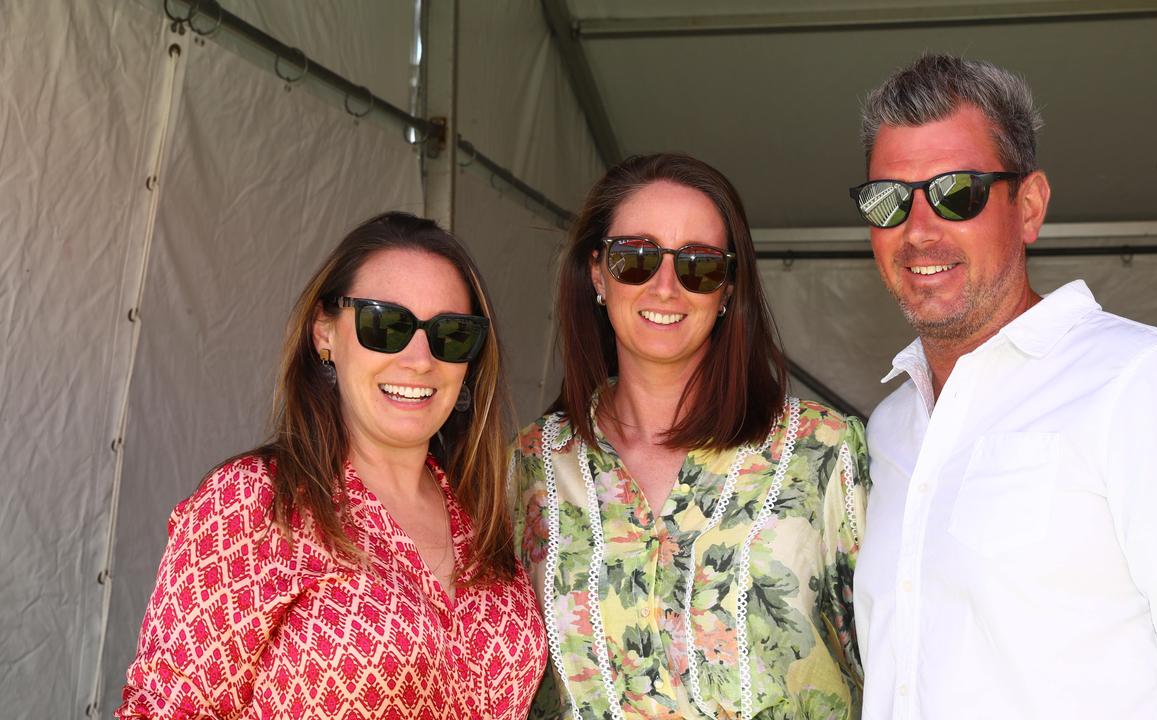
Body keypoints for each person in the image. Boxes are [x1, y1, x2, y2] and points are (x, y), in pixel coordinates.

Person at [851, 54, 1157, 719]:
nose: (919, 231)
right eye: (889, 201)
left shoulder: (1141, 387)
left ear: (1028, 208)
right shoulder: (890, 428)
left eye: (956, 193)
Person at [117, 212, 547, 718]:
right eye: (384, 324)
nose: (419, 358)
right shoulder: (253, 503)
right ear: (324, 332)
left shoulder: (484, 518)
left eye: (451, 333)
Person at [511, 153, 869, 720]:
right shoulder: (529, 469)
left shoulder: (824, 453)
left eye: (699, 266)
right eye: (636, 258)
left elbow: (901, 672)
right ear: (597, 273)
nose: (665, 286)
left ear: (728, 288)